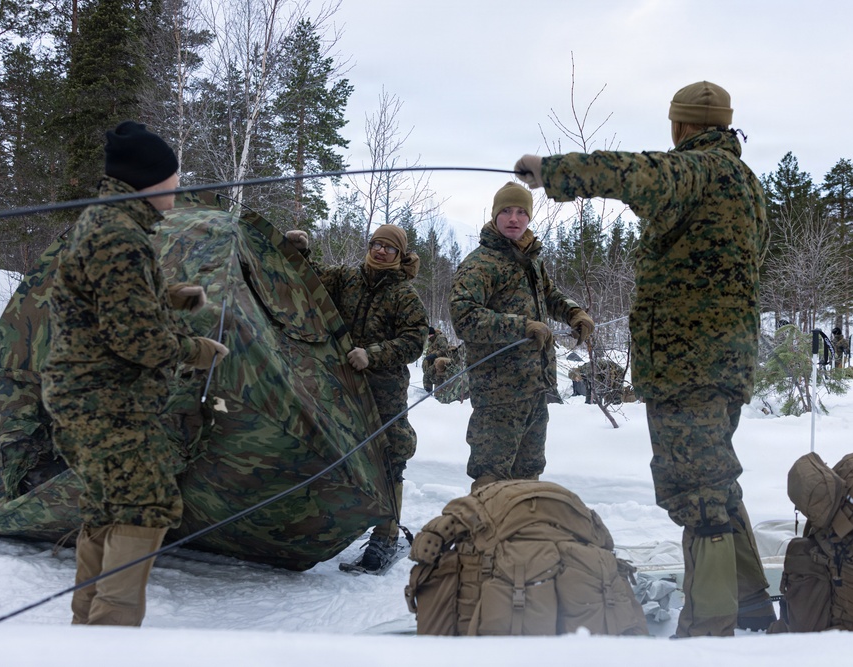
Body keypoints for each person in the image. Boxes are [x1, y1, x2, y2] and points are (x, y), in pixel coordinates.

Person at [514, 80, 774, 637]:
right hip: (725, 364)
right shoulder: (748, 184)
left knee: (698, 491)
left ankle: (709, 629)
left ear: (681, 126)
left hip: (687, 366)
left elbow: (629, 171)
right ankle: (752, 607)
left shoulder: (697, 170)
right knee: (717, 482)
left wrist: (552, 171)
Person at [41, 121, 228, 626]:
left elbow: (93, 302)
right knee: (145, 505)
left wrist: (167, 298)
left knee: (109, 508)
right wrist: (197, 350)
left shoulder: (106, 224)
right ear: (149, 181)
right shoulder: (120, 236)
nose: (177, 186)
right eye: (172, 178)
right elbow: (137, 341)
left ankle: (87, 628)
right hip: (105, 403)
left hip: (90, 400)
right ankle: (107, 640)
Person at [285, 224, 428, 572]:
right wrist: (299, 250)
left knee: (390, 459)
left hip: (385, 390)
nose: (380, 252)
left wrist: (373, 354)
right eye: (376, 244)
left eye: (389, 248)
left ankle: (385, 538)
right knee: (334, 453)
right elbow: (310, 279)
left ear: (399, 255)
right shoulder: (346, 279)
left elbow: (414, 341)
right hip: (340, 387)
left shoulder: (404, 296)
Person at [450, 182, 594, 492]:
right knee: (491, 475)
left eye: (520, 212)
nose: (514, 218)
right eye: (506, 211)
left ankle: (519, 535)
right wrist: (521, 326)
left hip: (535, 387)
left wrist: (574, 313)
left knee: (529, 474)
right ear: (494, 215)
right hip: (498, 393)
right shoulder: (480, 264)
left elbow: (549, 294)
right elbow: (464, 319)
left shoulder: (532, 260)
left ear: (528, 217)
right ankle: (483, 538)